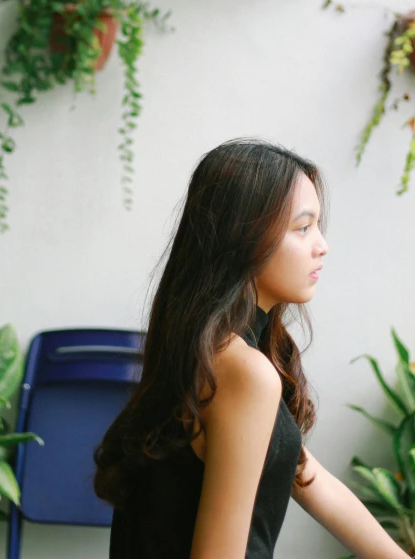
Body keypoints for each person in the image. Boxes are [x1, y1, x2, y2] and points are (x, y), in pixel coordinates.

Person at [93, 137, 412, 559]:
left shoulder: (207, 350)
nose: (322, 245)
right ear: (244, 240)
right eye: (302, 227)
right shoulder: (241, 370)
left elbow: (308, 479)